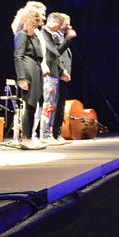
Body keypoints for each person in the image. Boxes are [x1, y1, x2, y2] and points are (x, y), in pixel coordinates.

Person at [12, 6, 47, 150]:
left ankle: (30, 137)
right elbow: (18, 56)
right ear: (32, 19)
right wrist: (21, 78)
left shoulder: (34, 35)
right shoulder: (22, 34)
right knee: (29, 106)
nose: (42, 20)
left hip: (35, 68)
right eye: (39, 18)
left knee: (35, 105)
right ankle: (25, 139)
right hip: (28, 70)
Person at [49, 13, 76, 143]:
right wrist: (68, 39)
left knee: (60, 105)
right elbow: (55, 54)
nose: (69, 26)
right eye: (66, 24)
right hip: (58, 74)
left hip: (63, 75)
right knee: (55, 105)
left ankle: (57, 133)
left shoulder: (60, 36)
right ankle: (53, 134)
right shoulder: (53, 36)